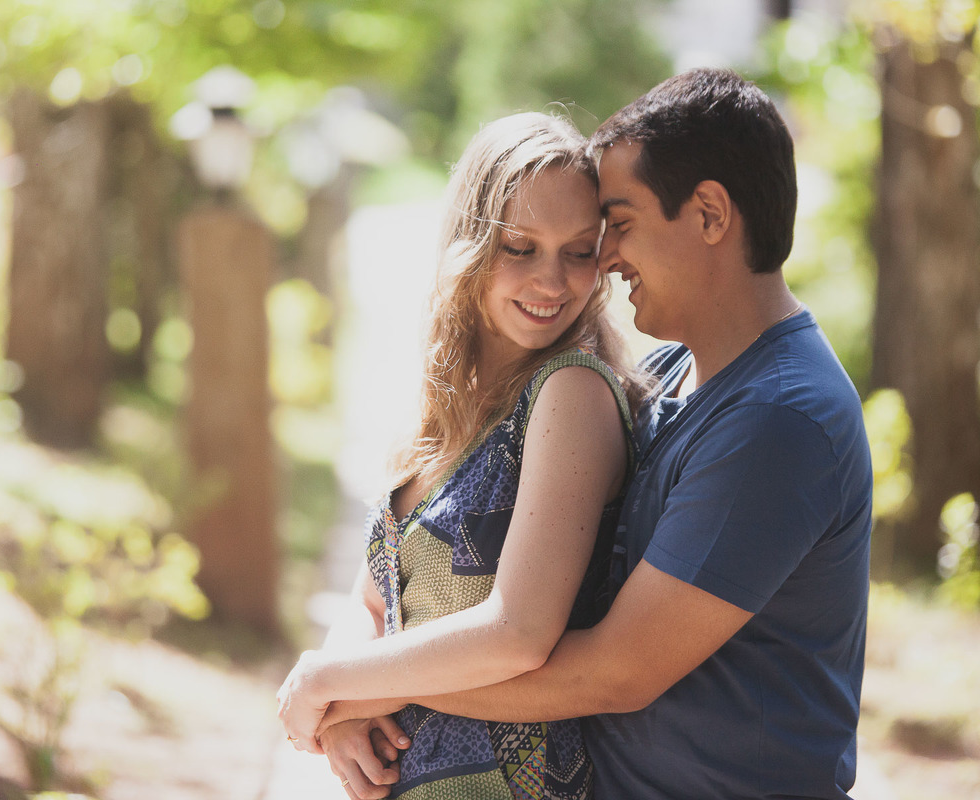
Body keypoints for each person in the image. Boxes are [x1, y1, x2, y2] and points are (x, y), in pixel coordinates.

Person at [319, 67, 873, 800]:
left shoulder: (779, 417)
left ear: (710, 215)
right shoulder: (673, 374)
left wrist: (352, 689)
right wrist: (352, 690)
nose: (606, 259)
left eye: (620, 224)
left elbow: (614, 673)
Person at [277, 111, 652, 799]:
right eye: (520, 247)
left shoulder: (570, 392)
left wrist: (329, 683)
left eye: (578, 252)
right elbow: (372, 600)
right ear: (471, 242)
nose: (552, 281)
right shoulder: (446, 403)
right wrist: (342, 712)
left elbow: (518, 632)